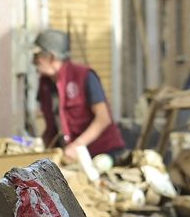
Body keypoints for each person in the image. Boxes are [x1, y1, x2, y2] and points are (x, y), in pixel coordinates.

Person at [32, 29, 126, 162]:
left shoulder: (83, 76)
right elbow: (51, 127)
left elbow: (103, 118)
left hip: (102, 154)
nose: (33, 61)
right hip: (73, 158)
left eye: (37, 56)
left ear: (51, 57)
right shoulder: (45, 85)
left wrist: (77, 145)